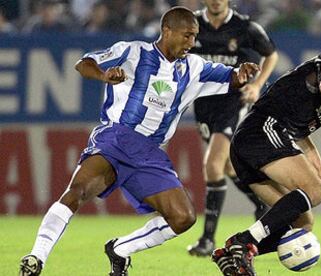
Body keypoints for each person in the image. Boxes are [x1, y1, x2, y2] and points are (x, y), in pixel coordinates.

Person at [18, 6, 260, 276]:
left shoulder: (193, 67)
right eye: (187, 36)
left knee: (183, 218)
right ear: (167, 31)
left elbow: (231, 77)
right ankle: (35, 258)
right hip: (116, 138)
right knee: (78, 191)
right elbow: (83, 63)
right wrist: (103, 75)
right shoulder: (133, 52)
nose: (192, 43)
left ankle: (120, 249)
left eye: (195, 37)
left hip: (149, 153)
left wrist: (243, 73)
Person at [211, 38, 321, 275]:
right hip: (262, 131)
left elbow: (295, 120)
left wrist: (312, 152)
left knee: (303, 223)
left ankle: (230, 255)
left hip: (252, 142)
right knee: (315, 191)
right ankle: (243, 241)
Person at [187, 0, 279, 257]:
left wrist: (257, 84)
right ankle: (261, 202)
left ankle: (206, 239)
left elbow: (271, 53)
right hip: (204, 105)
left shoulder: (245, 27)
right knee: (227, 167)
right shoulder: (191, 25)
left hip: (233, 101)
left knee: (213, 166)